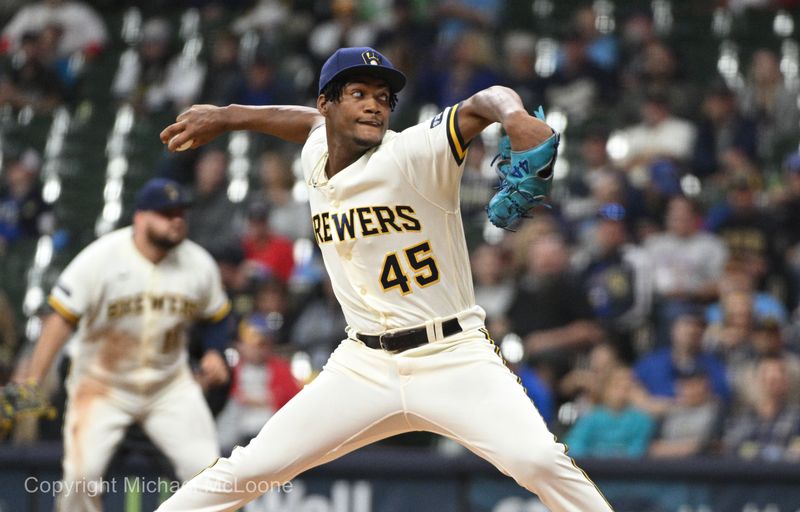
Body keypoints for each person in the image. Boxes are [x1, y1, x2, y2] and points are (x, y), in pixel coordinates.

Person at [158, 46, 614, 511]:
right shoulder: (317, 154)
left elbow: (484, 100)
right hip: (363, 365)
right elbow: (305, 124)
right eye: (358, 93)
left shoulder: (415, 153)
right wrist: (228, 116)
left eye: (382, 96)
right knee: (252, 467)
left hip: (452, 355)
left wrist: (514, 115)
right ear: (327, 103)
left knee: (540, 461)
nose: (374, 104)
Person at [18, 178, 232, 511]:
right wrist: (33, 382)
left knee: (209, 473)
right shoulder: (101, 258)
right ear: (141, 217)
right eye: (166, 212)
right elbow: (59, 320)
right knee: (81, 477)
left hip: (168, 385)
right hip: (102, 384)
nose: (177, 219)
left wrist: (216, 350)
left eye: (181, 212)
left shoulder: (199, 263)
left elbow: (218, 315)